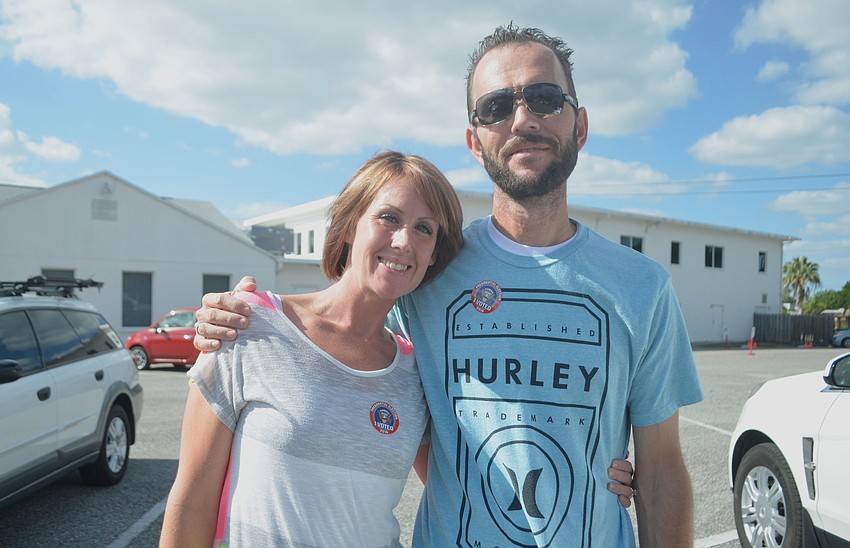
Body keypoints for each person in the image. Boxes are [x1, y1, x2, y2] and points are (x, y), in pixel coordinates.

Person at [194, 23, 700, 547]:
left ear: (581, 125)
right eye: (496, 107)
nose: (522, 119)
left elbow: (662, 473)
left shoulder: (643, 287)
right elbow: (338, 329)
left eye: (545, 98)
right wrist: (241, 316)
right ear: (474, 143)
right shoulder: (431, 268)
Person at [160, 151, 465, 547]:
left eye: (425, 228)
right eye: (389, 217)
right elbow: (191, 501)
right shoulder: (248, 325)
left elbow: (458, 493)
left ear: (434, 253)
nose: (405, 241)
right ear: (351, 226)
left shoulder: (417, 373)